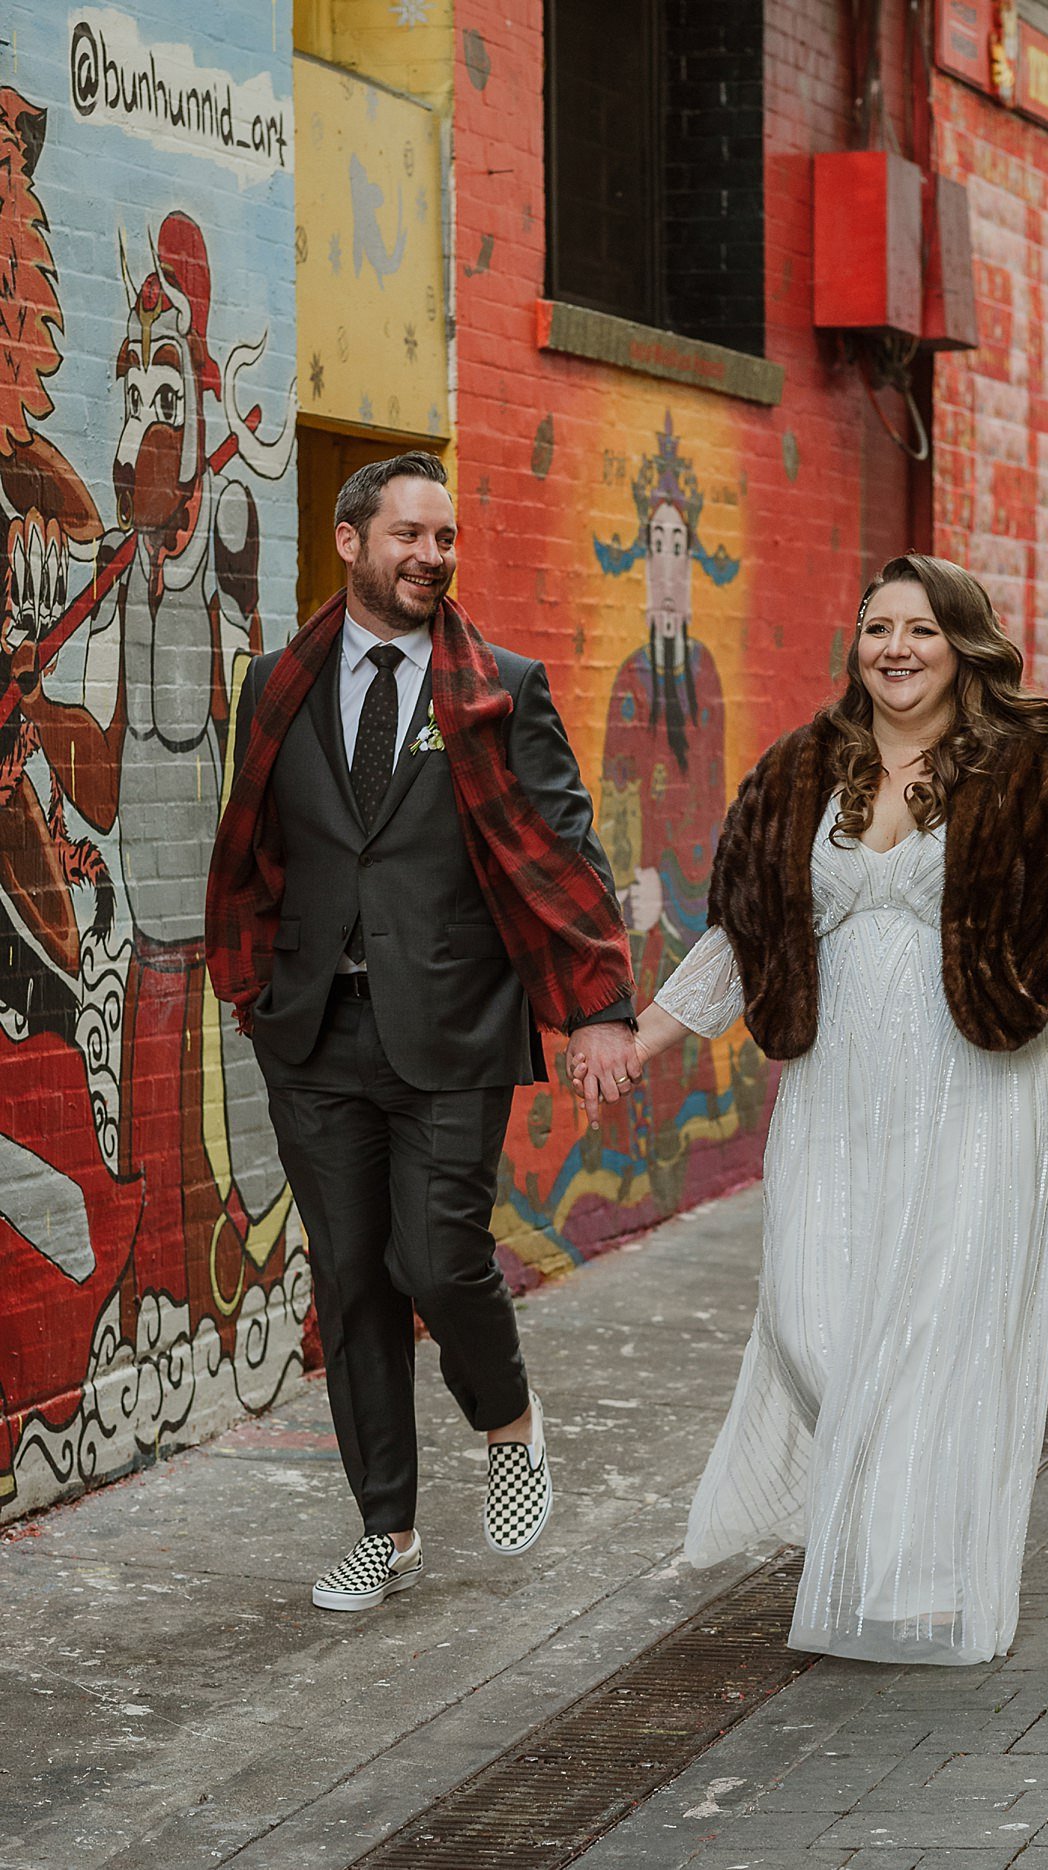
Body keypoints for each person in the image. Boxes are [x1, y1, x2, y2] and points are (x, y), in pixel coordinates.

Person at [622, 553, 1048, 1665]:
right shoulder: (798, 770)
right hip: (833, 1093)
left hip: (977, 1089)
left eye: (920, 628)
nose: (896, 649)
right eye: (877, 629)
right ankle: (874, 1514)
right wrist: (644, 1038)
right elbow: (739, 935)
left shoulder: (1033, 776)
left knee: (936, 1332)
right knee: (812, 1317)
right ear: (855, 646)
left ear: (964, 644)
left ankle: (914, 1574)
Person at [205, 452, 642, 1611]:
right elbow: (251, 851)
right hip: (312, 1031)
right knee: (350, 1279)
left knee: (435, 1258)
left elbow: (561, 850)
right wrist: (254, 991)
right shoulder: (278, 686)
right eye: (409, 535)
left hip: (455, 1022)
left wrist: (599, 1006)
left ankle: (508, 1420)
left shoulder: (500, 685)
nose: (431, 557)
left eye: (444, 538)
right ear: (349, 541)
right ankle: (384, 1527)